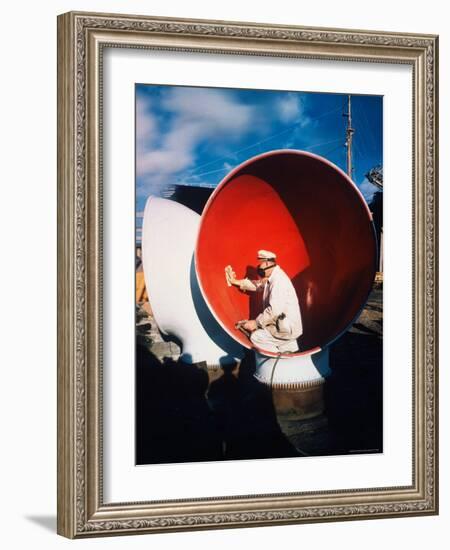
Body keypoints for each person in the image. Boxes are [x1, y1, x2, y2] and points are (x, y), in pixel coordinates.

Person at [225, 250, 303, 353]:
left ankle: (277, 360)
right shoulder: (272, 277)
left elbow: (274, 311)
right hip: (283, 326)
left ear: (266, 263)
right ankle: (288, 354)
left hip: (287, 329)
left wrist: (256, 323)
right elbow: (257, 285)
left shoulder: (279, 281)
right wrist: (235, 281)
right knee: (287, 351)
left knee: (256, 337)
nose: (259, 267)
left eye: (260, 263)